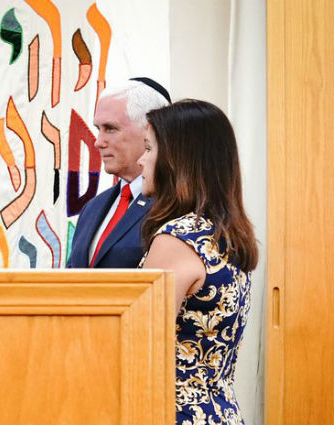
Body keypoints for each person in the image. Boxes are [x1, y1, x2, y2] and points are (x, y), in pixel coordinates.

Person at [137, 99, 259, 425]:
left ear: (176, 160)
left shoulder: (178, 238)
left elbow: (139, 345)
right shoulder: (228, 236)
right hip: (222, 413)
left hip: (176, 414)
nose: (140, 160)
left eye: (148, 149)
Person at [67, 77, 170, 268]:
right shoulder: (92, 208)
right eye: (98, 129)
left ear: (151, 130)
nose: (98, 142)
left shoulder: (175, 204)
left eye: (110, 129)